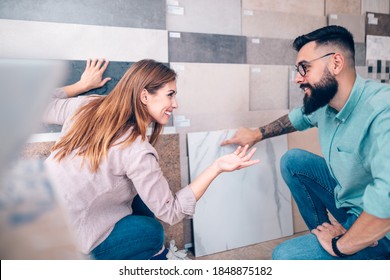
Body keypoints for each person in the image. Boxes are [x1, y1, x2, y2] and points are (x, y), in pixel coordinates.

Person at [43, 58, 259, 260]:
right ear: (144, 96)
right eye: (170, 94)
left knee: (142, 199)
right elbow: (172, 212)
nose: (175, 104)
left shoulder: (87, 106)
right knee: (152, 232)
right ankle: (158, 255)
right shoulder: (135, 150)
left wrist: (81, 86)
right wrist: (217, 167)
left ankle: (159, 255)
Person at [221, 25, 390, 259]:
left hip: (382, 228)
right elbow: (296, 118)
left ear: (336, 63)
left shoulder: (382, 110)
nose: (297, 79)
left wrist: (340, 246)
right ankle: (325, 234)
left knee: (286, 258)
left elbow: (387, 202)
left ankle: (342, 248)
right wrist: (256, 133)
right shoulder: (326, 102)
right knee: (294, 160)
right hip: (351, 204)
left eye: (304, 68)